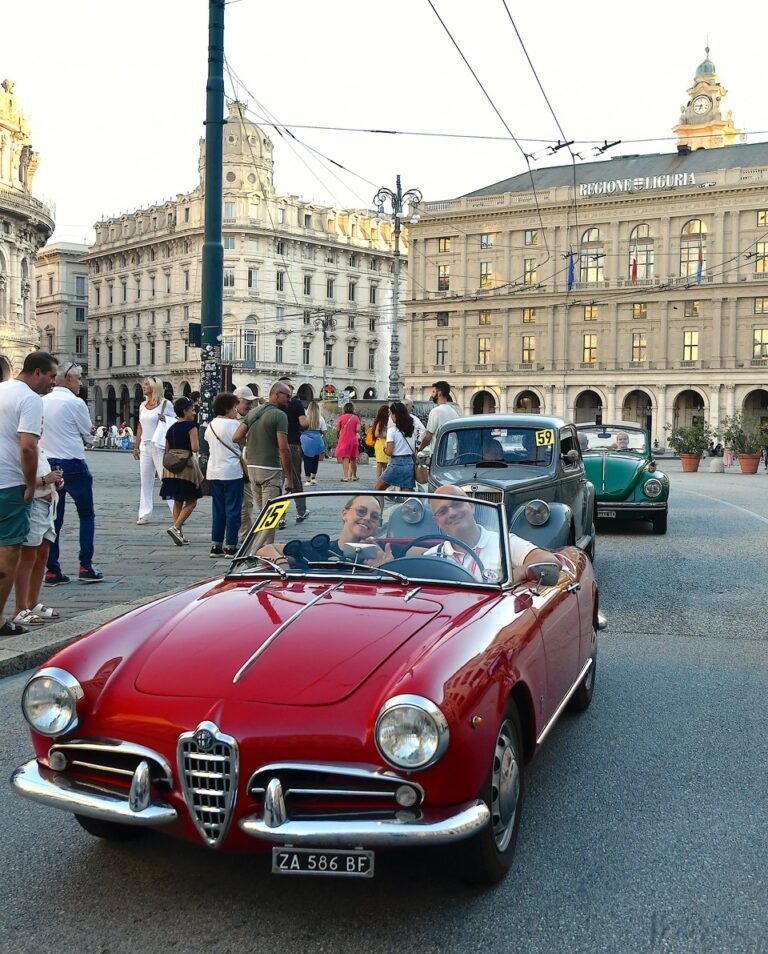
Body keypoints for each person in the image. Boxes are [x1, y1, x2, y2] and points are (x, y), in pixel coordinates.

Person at [0, 351, 58, 636]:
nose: (52, 383)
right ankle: (2, 618)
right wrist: (30, 483)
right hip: (10, 483)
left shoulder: (2, 390)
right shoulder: (30, 399)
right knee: (11, 552)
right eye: (51, 377)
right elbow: (27, 447)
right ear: (37, 372)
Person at [41, 362, 103, 585]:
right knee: (86, 514)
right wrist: (89, 434)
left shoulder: (41, 401)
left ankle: (52, 570)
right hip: (73, 463)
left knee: (54, 518)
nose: (80, 384)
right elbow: (88, 437)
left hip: (49, 465)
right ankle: (85, 566)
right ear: (68, 379)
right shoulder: (75, 403)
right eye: (78, 379)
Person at [427, 486, 559, 584]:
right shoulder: (432, 557)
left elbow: (549, 560)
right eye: (443, 511)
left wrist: (516, 574)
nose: (452, 513)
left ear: (471, 505)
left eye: (457, 504)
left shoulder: (504, 543)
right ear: (436, 521)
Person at [232, 380, 294, 546]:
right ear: (275, 395)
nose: (290, 399)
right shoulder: (280, 416)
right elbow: (284, 448)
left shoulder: (254, 412)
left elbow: (236, 437)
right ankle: (253, 551)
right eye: (287, 396)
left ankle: (266, 552)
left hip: (252, 468)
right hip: (270, 469)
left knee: (263, 515)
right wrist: (289, 477)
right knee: (270, 517)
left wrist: (251, 444)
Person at [259, 494, 391, 567]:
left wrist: (387, 567)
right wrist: (282, 563)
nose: (367, 518)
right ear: (344, 513)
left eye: (375, 517)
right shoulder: (318, 548)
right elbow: (265, 549)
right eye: (361, 511)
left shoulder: (385, 551)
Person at [12, 446, 65, 626]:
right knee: (28, 556)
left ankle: (32, 602)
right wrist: (45, 479)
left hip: (48, 507)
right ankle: (19, 607)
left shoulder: (38, 447)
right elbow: (16, 482)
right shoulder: (21, 447)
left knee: (42, 555)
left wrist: (54, 481)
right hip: (33, 505)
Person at [159, 397, 205, 545]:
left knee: (178, 501)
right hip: (185, 467)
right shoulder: (191, 426)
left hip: (171, 468)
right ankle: (176, 527)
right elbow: (195, 448)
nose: (194, 412)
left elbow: (166, 449)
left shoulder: (171, 428)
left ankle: (178, 534)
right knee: (192, 501)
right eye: (192, 409)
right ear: (185, 411)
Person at [205, 392, 246, 558]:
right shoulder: (234, 424)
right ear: (229, 408)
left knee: (218, 509)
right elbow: (243, 441)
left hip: (213, 471)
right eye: (235, 407)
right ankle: (231, 545)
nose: (236, 410)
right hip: (232, 471)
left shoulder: (211, 425)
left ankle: (216, 545)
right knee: (233, 509)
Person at [133, 377, 176, 525]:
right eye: (144, 384)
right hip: (145, 445)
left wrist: (165, 419)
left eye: (147, 384)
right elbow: (140, 426)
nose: (144, 386)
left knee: (166, 479)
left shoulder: (165, 404)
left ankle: (175, 512)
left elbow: (174, 422)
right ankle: (144, 513)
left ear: (154, 386)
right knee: (145, 480)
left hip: (159, 445)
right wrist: (136, 446)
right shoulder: (143, 405)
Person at [278, 377, 309, 522]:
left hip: (276, 446)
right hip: (292, 445)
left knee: (279, 480)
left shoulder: (273, 405)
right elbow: (304, 423)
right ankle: (301, 511)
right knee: (294, 479)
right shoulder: (296, 404)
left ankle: (280, 516)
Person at [232, 386, 257, 542]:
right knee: (244, 503)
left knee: (245, 503)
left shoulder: (250, 418)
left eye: (251, 403)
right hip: (237, 467)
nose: (250, 406)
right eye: (246, 402)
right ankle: (243, 535)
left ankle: (242, 533)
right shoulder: (232, 421)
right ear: (236, 402)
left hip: (244, 467)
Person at [375, 401, 417, 491]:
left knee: (378, 488)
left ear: (395, 415)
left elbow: (389, 452)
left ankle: (378, 505)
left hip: (397, 463)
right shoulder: (411, 430)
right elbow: (414, 448)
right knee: (406, 491)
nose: (390, 416)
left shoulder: (392, 431)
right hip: (409, 463)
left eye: (391, 414)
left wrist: (384, 449)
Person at [418, 380, 459, 452]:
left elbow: (428, 436)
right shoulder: (453, 411)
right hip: (451, 453)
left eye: (433, 392)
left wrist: (419, 448)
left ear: (439, 393)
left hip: (438, 453)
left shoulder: (435, 411)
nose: (432, 395)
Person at [300, 400, 327, 486]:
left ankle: (307, 480)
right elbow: (324, 431)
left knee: (307, 459)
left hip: (305, 440)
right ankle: (313, 478)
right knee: (315, 459)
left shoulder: (305, 417)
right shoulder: (321, 418)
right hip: (317, 440)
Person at [335, 401, 361, 482]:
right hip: (353, 440)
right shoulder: (356, 418)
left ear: (344, 409)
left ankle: (345, 477)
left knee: (345, 458)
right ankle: (354, 476)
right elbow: (358, 430)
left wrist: (338, 435)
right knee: (353, 458)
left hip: (344, 439)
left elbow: (338, 429)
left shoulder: (341, 418)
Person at [371, 404, 391, 480]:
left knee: (385, 463)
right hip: (380, 443)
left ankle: (384, 480)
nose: (390, 413)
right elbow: (376, 434)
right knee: (380, 463)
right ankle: (378, 480)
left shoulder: (389, 422)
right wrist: (386, 435)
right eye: (388, 411)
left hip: (386, 443)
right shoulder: (380, 422)